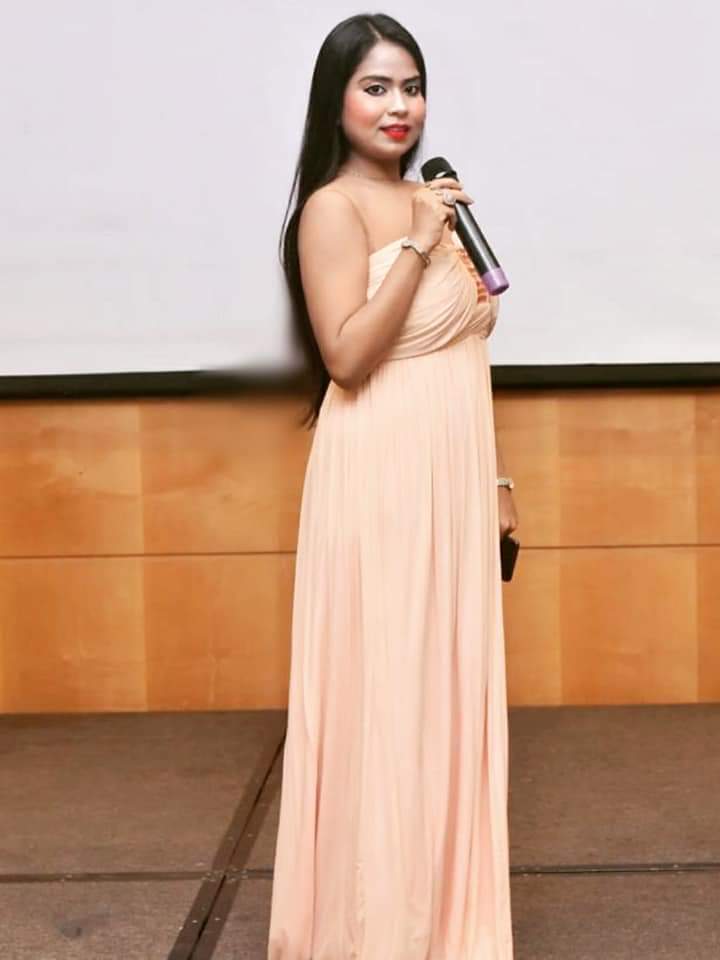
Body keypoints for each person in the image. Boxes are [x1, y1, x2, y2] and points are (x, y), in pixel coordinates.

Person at [268, 12, 518, 959]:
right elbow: (346, 357)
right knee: (390, 693)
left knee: (446, 693)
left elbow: (460, 352)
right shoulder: (334, 210)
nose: (398, 105)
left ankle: (448, 926)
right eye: (375, 87)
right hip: (379, 477)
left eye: (410, 86)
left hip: (451, 475)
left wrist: (495, 476)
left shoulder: (433, 201)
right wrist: (415, 242)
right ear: (335, 101)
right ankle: (375, 932)